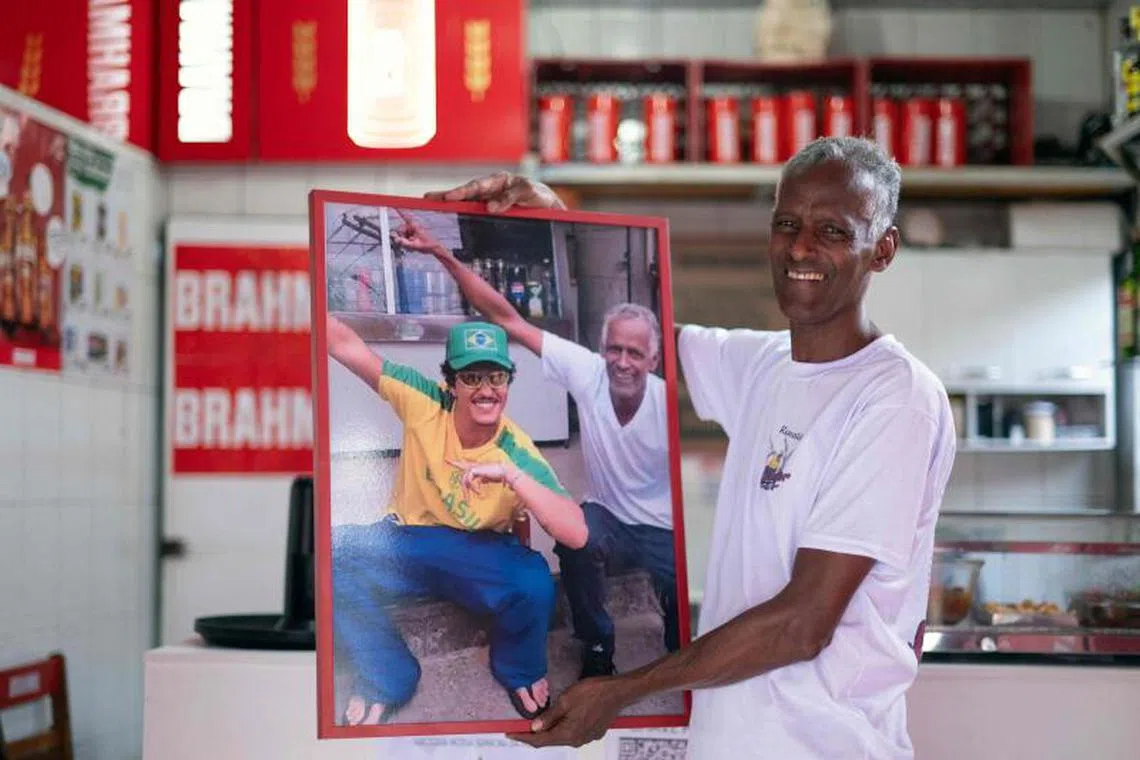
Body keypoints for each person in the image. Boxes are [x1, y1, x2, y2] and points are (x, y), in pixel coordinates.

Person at [425, 136, 957, 758]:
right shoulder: (764, 365)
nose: (802, 247)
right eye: (787, 223)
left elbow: (803, 624)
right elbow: (645, 340)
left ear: (883, 249)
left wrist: (623, 690)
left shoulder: (894, 398)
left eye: (833, 231)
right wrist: (552, 217)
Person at [391, 209, 678, 680]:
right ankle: (598, 647)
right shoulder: (587, 373)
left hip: (664, 523)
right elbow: (504, 316)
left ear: (654, 359)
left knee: (683, 606)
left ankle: (678, 639)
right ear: (602, 349)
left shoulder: (669, 406)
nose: (623, 362)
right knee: (575, 542)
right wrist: (443, 252)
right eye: (615, 349)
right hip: (608, 514)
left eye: (636, 353)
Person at [326, 314, 588, 725]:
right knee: (327, 555)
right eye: (471, 377)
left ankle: (518, 667)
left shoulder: (517, 449)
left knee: (534, 581)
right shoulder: (423, 401)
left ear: (508, 383)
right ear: (451, 383)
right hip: (407, 540)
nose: (486, 390)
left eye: (496, 377)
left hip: (478, 553)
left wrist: (513, 476)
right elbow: (345, 345)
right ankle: (387, 674)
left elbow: (575, 533)